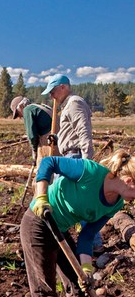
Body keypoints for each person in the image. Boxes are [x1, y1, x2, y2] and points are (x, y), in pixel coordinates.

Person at [20, 149, 135, 297]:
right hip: (38, 223)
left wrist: (85, 268)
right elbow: (49, 162)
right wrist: (41, 196)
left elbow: (86, 236)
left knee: (80, 285)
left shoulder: (115, 204)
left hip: (61, 231)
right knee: (45, 293)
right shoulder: (91, 172)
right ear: (129, 181)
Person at [41, 74, 103, 253]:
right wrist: (58, 138)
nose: (51, 96)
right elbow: (72, 132)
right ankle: (83, 243)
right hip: (69, 157)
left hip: (76, 159)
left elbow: (83, 134)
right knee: (70, 201)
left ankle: (93, 244)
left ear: (63, 87)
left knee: (80, 202)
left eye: (53, 91)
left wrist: (86, 165)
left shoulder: (75, 102)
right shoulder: (68, 105)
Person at [10, 96, 57, 167]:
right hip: (58, 138)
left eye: (17, 113)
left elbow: (31, 135)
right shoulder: (40, 107)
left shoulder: (27, 110)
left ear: (21, 106)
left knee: (43, 168)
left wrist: (34, 151)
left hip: (49, 140)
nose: (19, 117)